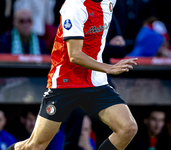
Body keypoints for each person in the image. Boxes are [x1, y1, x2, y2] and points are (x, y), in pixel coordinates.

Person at [7, 0, 138, 150]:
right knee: (36, 145)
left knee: (128, 128)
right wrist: (109, 68)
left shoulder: (109, 1)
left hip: (96, 83)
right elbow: (75, 55)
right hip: (66, 84)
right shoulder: (74, 6)